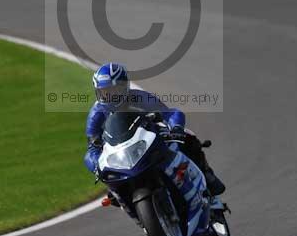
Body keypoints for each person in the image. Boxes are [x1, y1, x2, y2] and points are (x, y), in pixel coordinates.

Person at [84, 62, 225, 196]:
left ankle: (207, 174)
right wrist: (97, 165)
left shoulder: (140, 98)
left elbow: (171, 114)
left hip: (148, 140)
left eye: (112, 91)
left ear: (124, 87)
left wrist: (176, 128)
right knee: (113, 191)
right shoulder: (96, 113)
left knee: (188, 135)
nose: (108, 97)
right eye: (104, 93)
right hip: (122, 154)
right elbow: (92, 147)